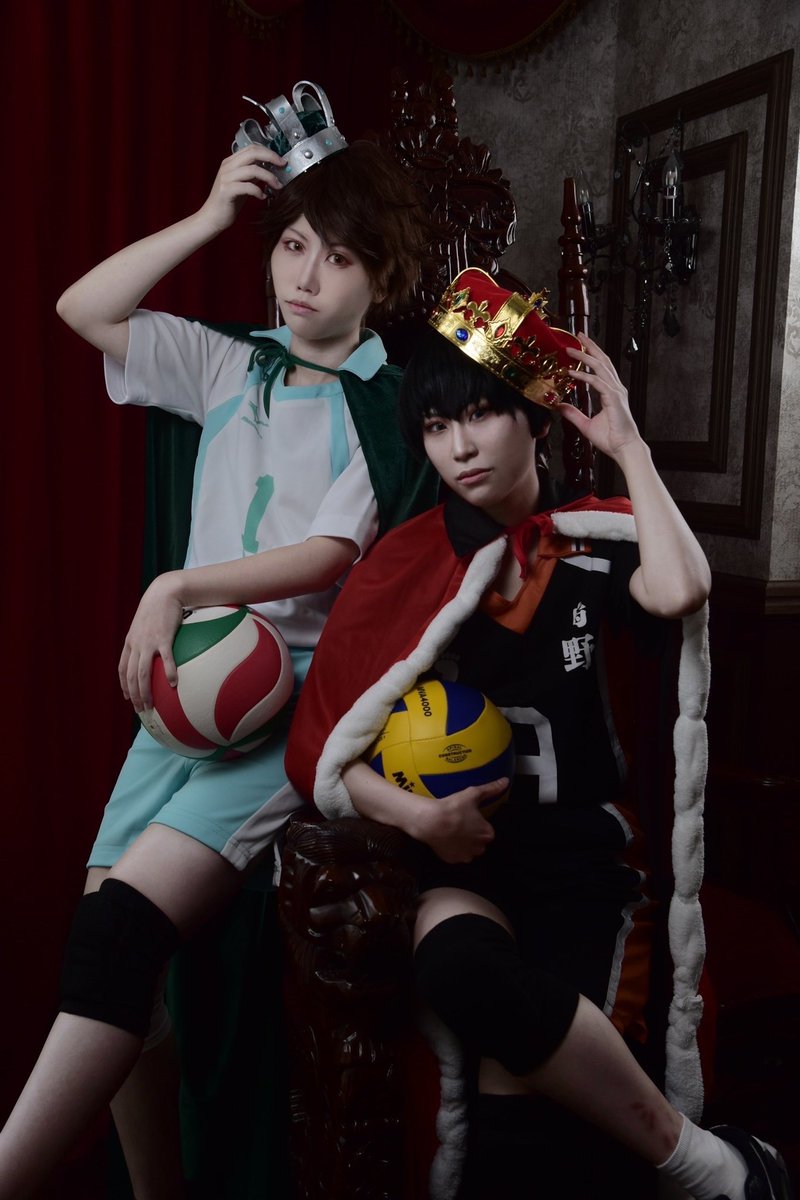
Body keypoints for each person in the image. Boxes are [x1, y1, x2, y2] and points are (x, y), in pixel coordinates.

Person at [0, 83, 437, 1200]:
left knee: (118, 941)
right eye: (291, 245)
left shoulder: (386, 406)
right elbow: (82, 307)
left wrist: (179, 581)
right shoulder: (229, 365)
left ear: (381, 277)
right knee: (109, 960)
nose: (306, 276)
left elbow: (330, 554)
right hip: (179, 699)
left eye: (338, 256)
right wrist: (206, 217)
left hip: (279, 709)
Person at [284, 268, 795, 1200]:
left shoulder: (598, 542)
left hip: (585, 874)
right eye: (436, 426)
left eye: (481, 413)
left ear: (534, 415)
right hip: (466, 865)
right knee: (457, 965)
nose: (459, 447)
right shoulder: (406, 563)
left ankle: (702, 1165)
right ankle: (714, 1165)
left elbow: (682, 588)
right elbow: (328, 753)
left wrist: (629, 445)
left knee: (532, 1134)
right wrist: (420, 819)